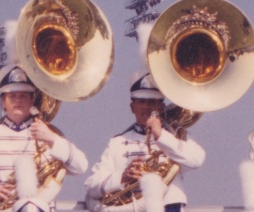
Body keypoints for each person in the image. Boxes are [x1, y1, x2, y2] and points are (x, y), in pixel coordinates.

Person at [0, 64, 88, 211]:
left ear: (32, 101)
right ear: (3, 103)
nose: (18, 100)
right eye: (12, 96)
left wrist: (52, 138)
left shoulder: (47, 135)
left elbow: (80, 167)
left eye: (23, 96)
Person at [84, 71, 206, 212]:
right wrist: (122, 177)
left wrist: (161, 136)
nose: (147, 107)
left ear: (161, 106)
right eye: (141, 101)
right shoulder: (117, 142)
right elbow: (91, 185)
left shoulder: (175, 135)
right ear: (132, 107)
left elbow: (197, 159)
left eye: (152, 102)